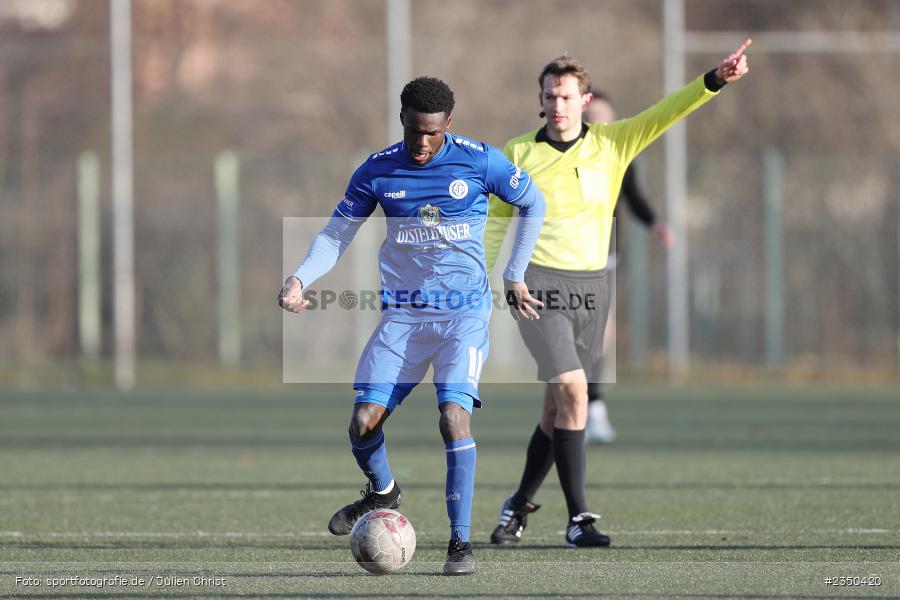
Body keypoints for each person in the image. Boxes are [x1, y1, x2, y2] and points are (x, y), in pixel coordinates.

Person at [484, 40, 751, 547]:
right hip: (537, 288)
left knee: (556, 410)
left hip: (592, 289)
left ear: (584, 101)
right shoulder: (517, 152)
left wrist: (713, 79)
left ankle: (517, 505)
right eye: (549, 96)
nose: (557, 105)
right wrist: (489, 276)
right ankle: (579, 518)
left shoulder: (612, 143)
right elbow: (496, 223)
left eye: (566, 97)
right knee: (574, 393)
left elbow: (667, 112)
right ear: (539, 99)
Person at [278, 76, 545, 575]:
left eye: (433, 133)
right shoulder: (376, 171)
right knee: (361, 424)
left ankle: (460, 544)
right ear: (401, 116)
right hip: (402, 318)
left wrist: (514, 274)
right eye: (414, 131)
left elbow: (534, 203)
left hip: (463, 317)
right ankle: (383, 491)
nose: (422, 144)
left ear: (449, 123)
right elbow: (337, 233)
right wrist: (299, 277)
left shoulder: (480, 160)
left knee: (452, 419)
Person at [582, 89, 674, 444]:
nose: (600, 124)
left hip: (603, 256)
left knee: (598, 334)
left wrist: (655, 223)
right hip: (560, 259)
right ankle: (572, 407)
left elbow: (634, 196)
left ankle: (595, 408)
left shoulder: (619, 154)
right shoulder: (560, 156)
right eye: (593, 118)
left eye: (607, 118)